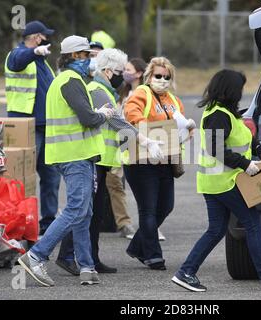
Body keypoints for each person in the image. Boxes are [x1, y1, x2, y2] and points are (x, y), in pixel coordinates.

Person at [171, 70, 261, 292]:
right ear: (230, 89)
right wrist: (246, 164)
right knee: (252, 223)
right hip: (225, 183)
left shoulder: (226, 112)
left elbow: (241, 137)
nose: (241, 92)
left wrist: (260, 150)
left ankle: (186, 272)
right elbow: (215, 148)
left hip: (217, 183)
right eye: (239, 88)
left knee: (216, 230)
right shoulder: (218, 114)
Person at [17, 35, 115, 287]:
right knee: (77, 209)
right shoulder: (70, 81)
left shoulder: (67, 80)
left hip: (75, 154)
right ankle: (36, 255)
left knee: (85, 212)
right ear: (74, 56)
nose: (90, 61)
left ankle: (86, 266)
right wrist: (103, 114)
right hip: (74, 155)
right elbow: (88, 118)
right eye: (86, 56)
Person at [56, 49, 165, 275]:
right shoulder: (98, 90)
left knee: (93, 213)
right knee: (84, 211)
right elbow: (118, 123)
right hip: (96, 159)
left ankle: (90, 258)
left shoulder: (105, 90)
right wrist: (145, 141)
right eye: (118, 71)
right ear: (107, 71)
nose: (121, 76)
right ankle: (68, 255)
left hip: (102, 160)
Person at [124, 57, 196, 270]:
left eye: (167, 77)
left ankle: (137, 246)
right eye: (158, 76)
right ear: (149, 76)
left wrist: (187, 131)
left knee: (166, 206)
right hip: (141, 161)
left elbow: (180, 124)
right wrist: (151, 134)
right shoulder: (141, 94)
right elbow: (132, 116)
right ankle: (154, 256)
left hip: (165, 160)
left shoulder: (173, 100)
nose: (162, 80)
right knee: (148, 209)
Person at [5, 20, 61, 236]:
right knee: (24, 180)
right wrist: (34, 52)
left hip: (45, 127)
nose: (47, 40)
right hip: (26, 126)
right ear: (37, 38)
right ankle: (21, 224)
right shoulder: (18, 54)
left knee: (51, 178)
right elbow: (16, 62)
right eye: (44, 37)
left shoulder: (42, 61)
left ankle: (47, 224)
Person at [117, 58, 166, 241]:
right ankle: (133, 226)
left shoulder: (149, 94)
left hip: (147, 145)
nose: (125, 72)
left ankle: (149, 230)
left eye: (128, 69)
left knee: (150, 199)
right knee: (134, 191)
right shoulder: (123, 91)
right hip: (127, 143)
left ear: (139, 73)